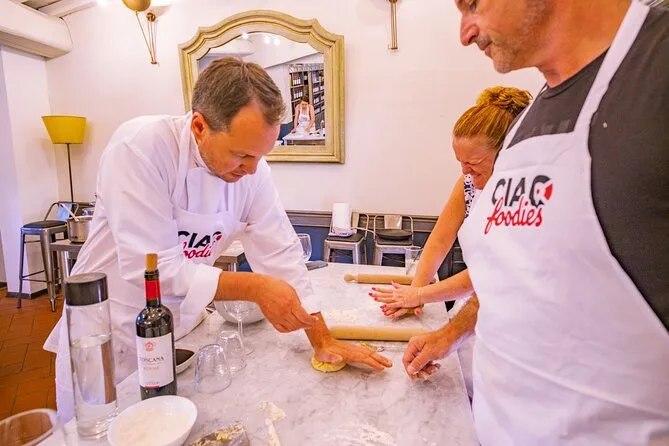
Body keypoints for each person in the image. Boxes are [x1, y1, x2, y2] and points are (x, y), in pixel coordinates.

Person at [44, 57, 391, 421]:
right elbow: (154, 268)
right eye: (241, 155)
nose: (252, 169)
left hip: (180, 333)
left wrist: (323, 339)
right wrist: (256, 287)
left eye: (261, 156)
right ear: (199, 126)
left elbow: (281, 253)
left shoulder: (252, 171)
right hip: (111, 334)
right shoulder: (140, 148)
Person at [407, 1, 669, 444]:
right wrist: (450, 334)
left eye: (472, 4)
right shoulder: (526, 123)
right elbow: (510, 280)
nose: (465, 33)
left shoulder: (656, 66)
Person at [370, 86, 532, 393]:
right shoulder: (468, 183)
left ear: (507, 152)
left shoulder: (523, 195)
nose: (466, 171)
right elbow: (439, 241)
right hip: (472, 311)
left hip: (514, 323)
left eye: (475, 164)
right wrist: (416, 288)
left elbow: (491, 272)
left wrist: (420, 295)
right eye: (460, 162)